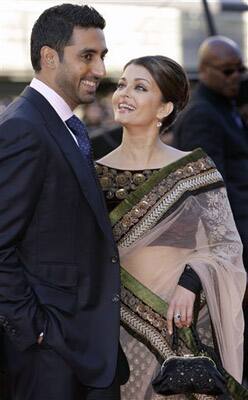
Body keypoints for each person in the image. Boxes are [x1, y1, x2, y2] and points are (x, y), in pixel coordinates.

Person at [95, 55, 248, 399]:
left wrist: (192, 282)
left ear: (164, 108)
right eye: (122, 84)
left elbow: (226, 245)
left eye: (140, 87)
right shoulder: (93, 171)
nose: (124, 93)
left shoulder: (194, 169)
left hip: (182, 326)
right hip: (116, 329)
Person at [0, 4, 129, 399]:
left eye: (102, 56)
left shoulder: (61, 124)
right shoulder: (24, 128)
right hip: (50, 357)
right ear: (49, 57)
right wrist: (37, 332)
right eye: (87, 56)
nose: (100, 70)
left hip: (85, 349)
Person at [172, 36, 248, 382]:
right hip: (228, 250)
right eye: (229, 70)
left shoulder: (225, 107)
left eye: (241, 69)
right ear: (204, 71)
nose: (237, 76)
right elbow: (207, 199)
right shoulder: (202, 114)